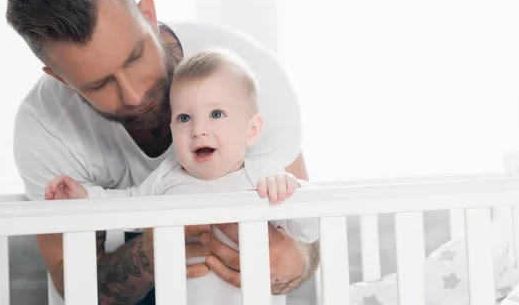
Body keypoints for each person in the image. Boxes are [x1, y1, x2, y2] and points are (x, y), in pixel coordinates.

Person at [7, 0, 320, 304]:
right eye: (99, 84)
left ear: (149, 15)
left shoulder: (246, 77)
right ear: (59, 78)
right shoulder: (44, 129)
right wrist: (147, 253)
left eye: (136, 56)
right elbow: (77, 276)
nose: (135, 94)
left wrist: (292, 262)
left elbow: (308, 232)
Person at [46, 49, 319, 304]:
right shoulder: (167, 177)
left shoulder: (263, 176)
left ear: (252, 130)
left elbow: (308, 232)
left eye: (216, 114)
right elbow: (126, 206)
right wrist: (84, 196)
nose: (199, 129)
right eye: (185, 118)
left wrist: (291, 190)